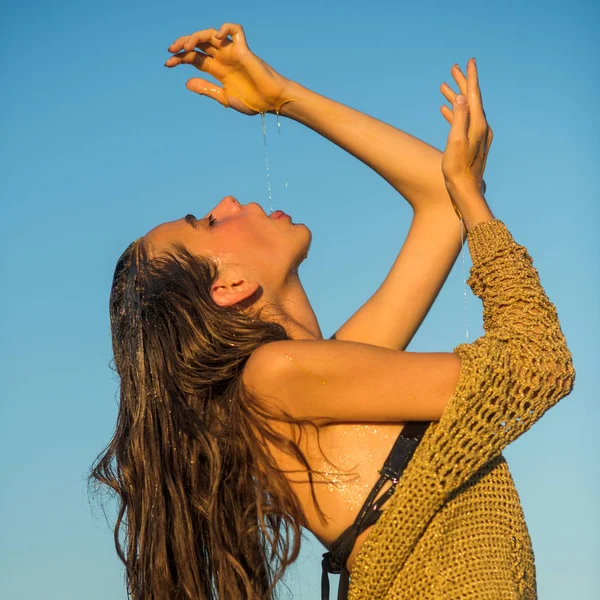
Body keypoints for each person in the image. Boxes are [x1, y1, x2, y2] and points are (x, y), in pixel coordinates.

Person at [89, 23, 575, 600]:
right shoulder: (277, 378)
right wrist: (472, 200)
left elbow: (440, 198)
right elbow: (538, 364)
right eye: (208, 223)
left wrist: (283, 97)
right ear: (231, 285)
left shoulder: (319, 375)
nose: (227, 202)